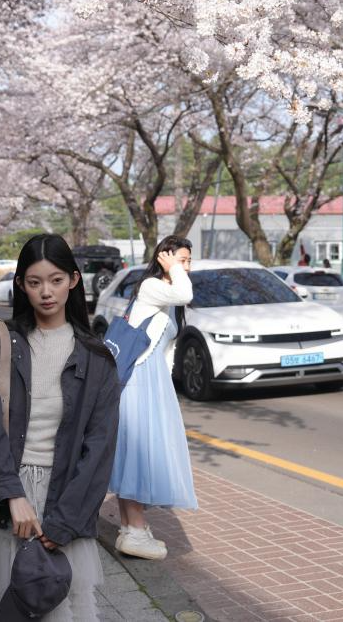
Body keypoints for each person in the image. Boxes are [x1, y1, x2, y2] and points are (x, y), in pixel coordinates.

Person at [0, 234, 121, 621]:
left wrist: (64, 524)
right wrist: (11, 495)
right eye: (34, 282)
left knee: (62, 610)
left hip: (65, 496)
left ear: (73, 280)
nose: (46, 292)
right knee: (3, 608)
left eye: (56, 280)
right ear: (20, 285)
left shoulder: (96, 358)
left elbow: (100, 448)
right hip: (3, 492)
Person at [109, 235, 196, 560]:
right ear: (164, 258)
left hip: (151, 380)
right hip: (137, 380)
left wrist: (166, 386)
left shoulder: (166, 294)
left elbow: (166, 348)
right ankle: (135, 530)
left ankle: (132, 529)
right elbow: (186, 293)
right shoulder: (151, 287)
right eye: (181, 259)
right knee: (136, 452)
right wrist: (174, 268)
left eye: (188, 261)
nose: (186, 267)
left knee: (133, 453)